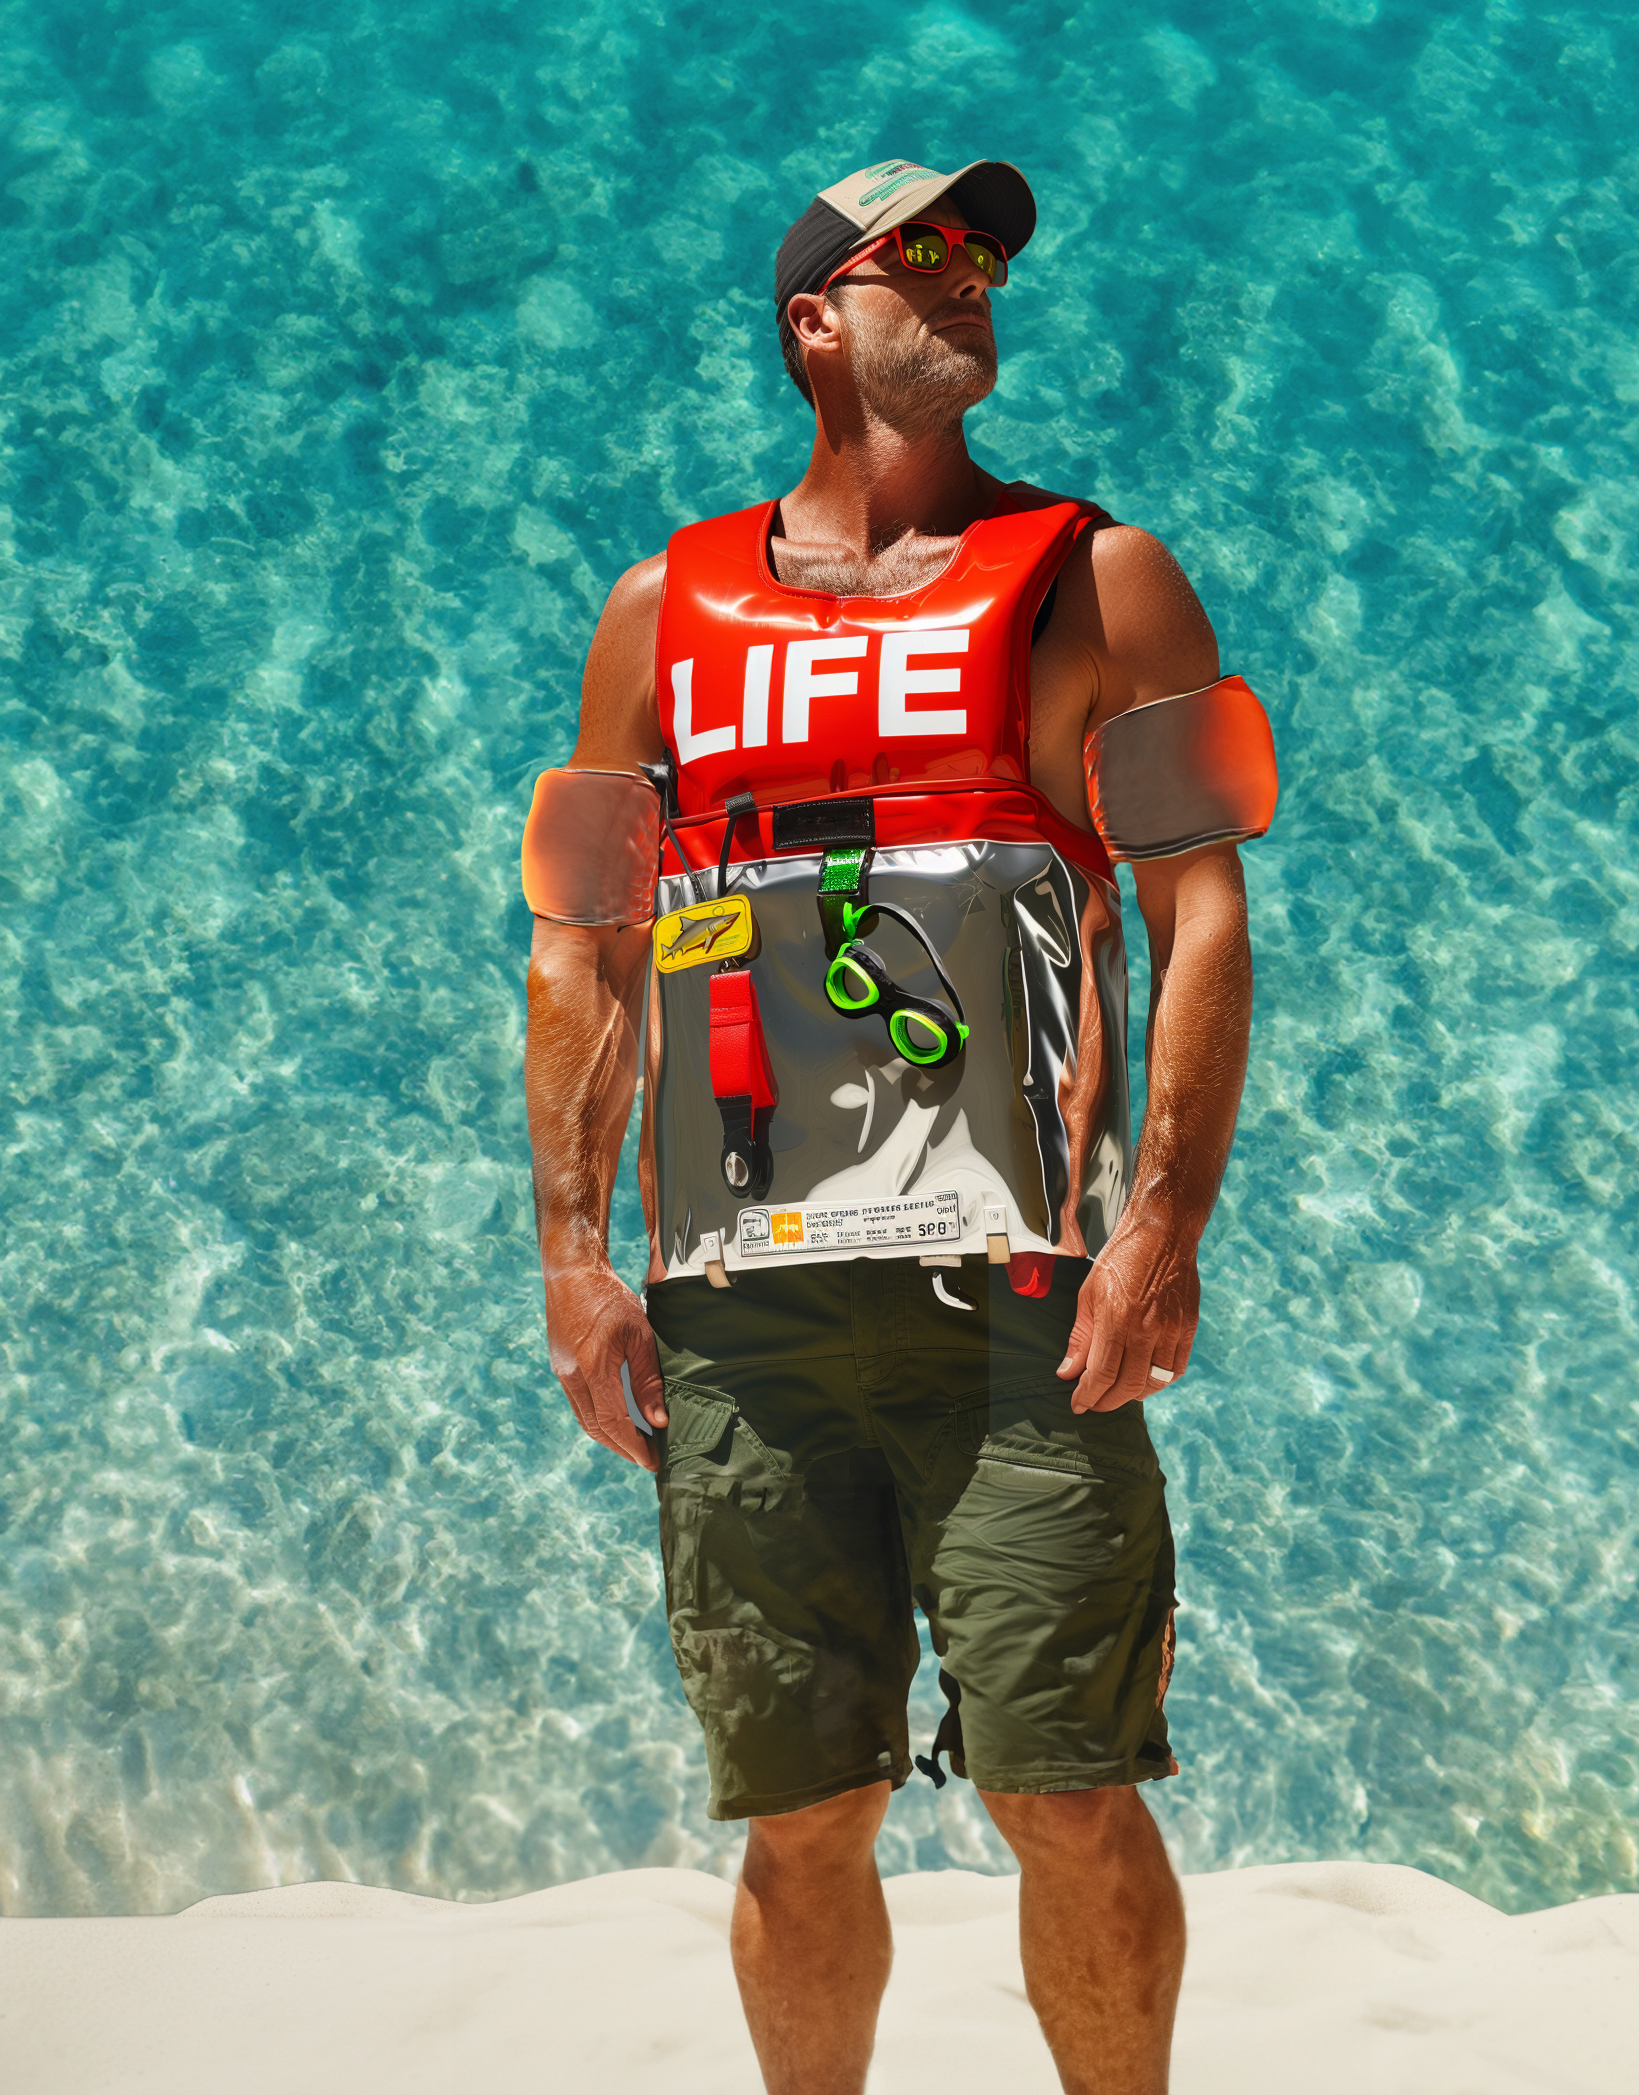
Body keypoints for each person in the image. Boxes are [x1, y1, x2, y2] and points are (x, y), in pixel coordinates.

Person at [521, 156, 1275, 2095]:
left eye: (982, 255)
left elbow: (1200, 911)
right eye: (913, 255)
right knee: (797, 1809)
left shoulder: (1101, 577)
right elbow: (581, 946)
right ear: (810, 325)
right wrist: (574, 1255)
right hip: (744, 1307)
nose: (966, 279)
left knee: (1070, 1791)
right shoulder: (656, 607)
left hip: (1023, 1297)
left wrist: (1161, 1230)